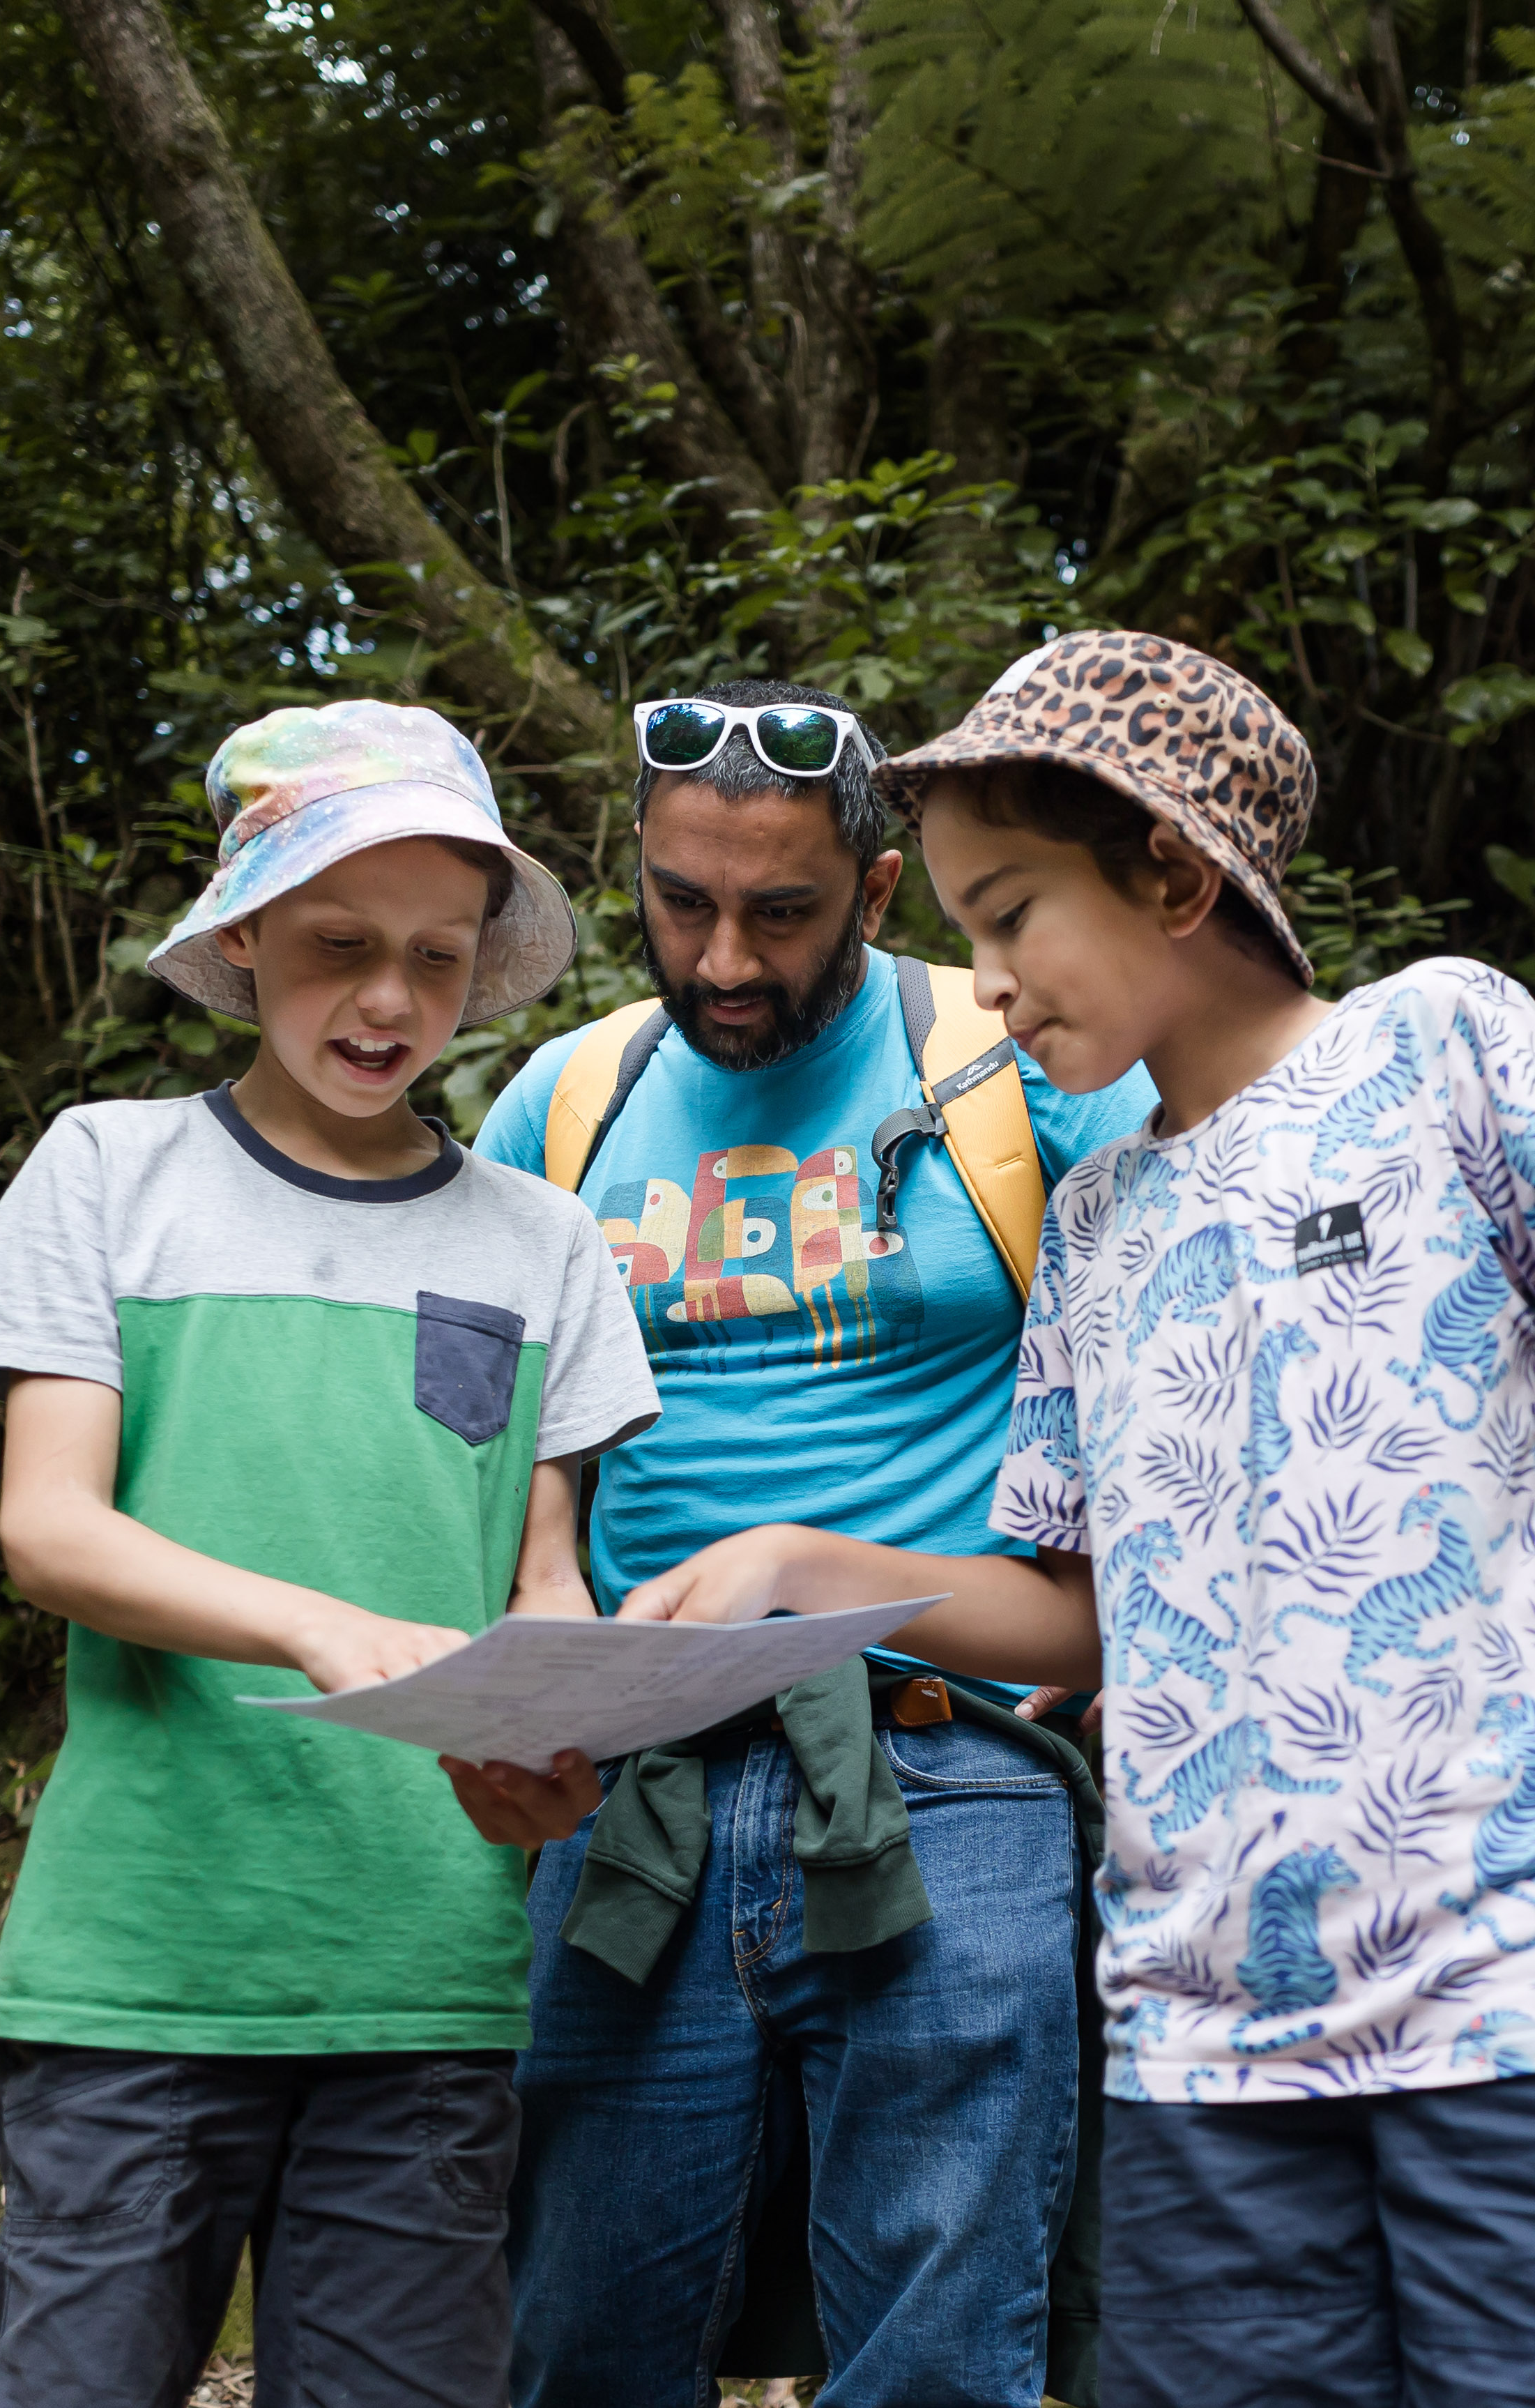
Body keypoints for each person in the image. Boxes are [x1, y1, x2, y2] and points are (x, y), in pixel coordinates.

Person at [619, 630, 1535, 2407]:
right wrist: (808, 1574)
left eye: (1008, 914)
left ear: (1168, 866)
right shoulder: (1093, 1223)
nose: (982, 983)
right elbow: (1080, 1615)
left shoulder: (1439, 1042)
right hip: (1197, 2060)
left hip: (1527, 2003)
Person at [0, 700, 658, 2408]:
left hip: (429, 1974)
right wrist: (318, 1624)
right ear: (242, 937)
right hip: (140, 1960)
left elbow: (541, 1578)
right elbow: (50, 1526)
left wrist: (559, 1731)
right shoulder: (112, 1167)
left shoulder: (543, 1241)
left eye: (434, 955)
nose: (389, 999)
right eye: (337, 947)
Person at [456, 678, 1158, 2408]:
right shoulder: (564, 1102)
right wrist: (522, 1596)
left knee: (935, 2350)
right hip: (635, 1794)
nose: (721, 961)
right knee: (581, 2338)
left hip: (949, 1768)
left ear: (877, 890)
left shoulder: (1007, 1077)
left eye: (779, 913)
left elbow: (1177, 1397)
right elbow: (480, 1431)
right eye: (679, 902)